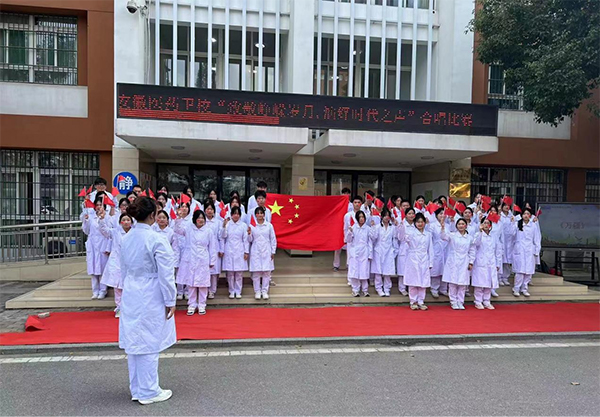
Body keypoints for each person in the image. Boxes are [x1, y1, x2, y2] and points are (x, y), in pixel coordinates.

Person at [119, 196, 176, 405]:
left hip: (131, 289)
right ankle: (149, 390)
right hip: (151, 291)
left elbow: (123, 268)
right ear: (153, 215)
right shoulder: (156, 239)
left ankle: (137, 388)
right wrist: (170, 299)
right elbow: (166, 273)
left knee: (135, 341)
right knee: (150, 341)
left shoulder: (127, 238)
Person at [174, 209, 217, 315]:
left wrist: (212, 260)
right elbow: (178, 230)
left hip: (203, 258)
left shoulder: (208, 231)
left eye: (202, 218)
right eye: (198, 218)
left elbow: (212, 247)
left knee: (203, 284)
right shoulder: (189, 229)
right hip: (191, 258)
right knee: (191, 283)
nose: (200, 220)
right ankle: (192, 305)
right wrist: (179, 218)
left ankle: (202, 305)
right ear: (194, 219)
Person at [99, 212, 133, 317]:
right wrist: (102, 220)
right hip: (117, 261)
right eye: (124, 220)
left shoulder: (135, 233)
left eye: (128, 220)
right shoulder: (115, 232)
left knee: (129, 286)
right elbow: (104, 231)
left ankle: (130, 308)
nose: (126, 222)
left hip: (131, 262)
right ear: (120, 222)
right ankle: (119, 307)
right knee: (117, 286)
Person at [398, 212, 434, 310]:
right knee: (413, 281)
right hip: (413, 258)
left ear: (425, 223)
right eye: (418, 222)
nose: (420, 224)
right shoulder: (411, 233)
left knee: (423, 282)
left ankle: (421, 301)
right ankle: (413, 301)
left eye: (422, 222)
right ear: (415, 223)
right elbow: (402, 238)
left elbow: (430, 249)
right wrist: (401, 226)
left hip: (424, 258)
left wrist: (430, 262)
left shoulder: (428, 234)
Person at [441, 218, 476, 310]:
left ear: (466, 226)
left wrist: (471, 262)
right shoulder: (452, 235)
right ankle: (453, 301)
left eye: (462, 224)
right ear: (456, 226)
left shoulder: (469, 238)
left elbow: (472, 250)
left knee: (462, 283)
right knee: (453, 283)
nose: (461, 226)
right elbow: (443, 237)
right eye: (459, 224)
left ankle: (460, 301)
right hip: (453, 260)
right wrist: (443, 228)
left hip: (464, 260)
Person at [82, 194, 112, 300]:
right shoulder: (91, 217)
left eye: (101, 205)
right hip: (92, 245)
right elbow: (86, 231)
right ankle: (95, 291)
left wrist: (108, 247)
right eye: (97, 205)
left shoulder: (108, 217)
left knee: (102, 269)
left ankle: (103, 290)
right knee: (93, 269)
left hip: (103, 244)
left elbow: (110, 234)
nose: (99, 207)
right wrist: (85, 221)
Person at [471, 217, 503, 309]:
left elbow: (498, 250)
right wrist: (480, 232)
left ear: (490, 226)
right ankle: (478, 301)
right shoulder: (478, 234)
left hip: (491, 261)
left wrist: (498, 263)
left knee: (489, 282)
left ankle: (486, 300)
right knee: (480, 283)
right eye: (484, 223)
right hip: (480, 261)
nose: (486, 225)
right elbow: (475, 243)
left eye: (488, 223)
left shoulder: (494, 236)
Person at [508, 208, 541, 297]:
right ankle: (516, 288)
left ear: (530, 215)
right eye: (524, 214)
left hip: (530, 250)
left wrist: (537, 251)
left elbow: (537, 239)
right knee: (520, 271)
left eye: (528, 214)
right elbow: (511, 234)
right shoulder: (517, 224)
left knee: (528, 271)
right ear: (521, 215)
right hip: (520, 250)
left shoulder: (533, 226)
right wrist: (512, 223)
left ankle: (524, 288)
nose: (526, 215)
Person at [248, 206, 277, 300]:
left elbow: (273, 239)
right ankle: (257, 291)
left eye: (261, 213)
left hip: (266, 250)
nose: (260, 215)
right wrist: (249, 233)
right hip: (256, 250)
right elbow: (250, 240)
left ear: (264, 215)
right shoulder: (252, 225)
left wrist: (273, 251)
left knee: (266, 272)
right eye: (258, 213)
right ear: (255, 215)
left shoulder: (269, 225)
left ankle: (264, 291)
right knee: (256, 273)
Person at [221, 206, 250, 299]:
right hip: (229, 249)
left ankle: (238, 291)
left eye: (237, 214)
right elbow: (223, 236)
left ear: (240, 215)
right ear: (231, 215)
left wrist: (246, 252)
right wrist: (224, 226)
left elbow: (245, 240)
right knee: (230, 273)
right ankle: (231, 290)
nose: (236, 215)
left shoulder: (243, 225)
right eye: (234, 213)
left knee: (239, 273)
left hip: (240, 249)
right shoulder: (228, 224)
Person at [369, 208, 396, 297]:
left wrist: (394, 251)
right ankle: (379, 288)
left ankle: (387, 288)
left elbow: (395, 240)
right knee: (378, 271)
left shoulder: (393, 228)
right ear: (381, 216)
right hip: (379, 250)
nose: (386, 217)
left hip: (389, 250)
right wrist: (373, 227)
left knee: (387, 271)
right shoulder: (377, 227)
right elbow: (373, 238)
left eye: (388, 215)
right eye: (385, 215)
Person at [345, 210, 371, 297]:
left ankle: (365, 290)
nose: (361, 219)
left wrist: (370, 254)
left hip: (364, 251)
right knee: (355, 271)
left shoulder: (368, 228)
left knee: (364, 271)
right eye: (359, 217)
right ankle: (355, 290)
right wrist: (349, 232)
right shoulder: (353, 227)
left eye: (363, 217)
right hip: (355, 251)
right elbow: (348, 240)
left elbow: (370, 242)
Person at [203, 201, 223, 299]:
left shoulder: (218, 222)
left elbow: (221, 237)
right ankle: (205, 289)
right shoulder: (202, 221)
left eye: (211, 209)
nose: (209, 211)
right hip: (204, 248)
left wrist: (221, 249)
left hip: (215, 247)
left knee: (214, 272)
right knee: (205, 270)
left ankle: (212, 290)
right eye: (208, 209)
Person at [428, 208, 449, 298]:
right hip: (436, 248)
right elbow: (429, 236)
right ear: (436, 215)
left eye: (444, 214)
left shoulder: (448, 225)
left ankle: (443, 289)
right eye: (440, 214)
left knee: (445, 270)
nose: (442, 215)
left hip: (446, 248)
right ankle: (434, 289)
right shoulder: (432, 225)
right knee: (436, 270)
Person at [396, 206, 417, 296]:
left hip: (414, 249)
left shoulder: (417, 224)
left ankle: (411, 287)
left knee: (412, 269)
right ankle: (402, 288)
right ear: (406, 215)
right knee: (402, 270)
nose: (411, 215)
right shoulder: (402, 224)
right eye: (409, 213)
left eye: (413, 213)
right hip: (404, 248)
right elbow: (400, 238)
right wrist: (401, 228)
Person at [175, 202, 191, 300]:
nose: (184, 208)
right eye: (182, 206)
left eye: (186, 207)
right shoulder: (175, 219)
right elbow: (176, 231)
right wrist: (178, 219)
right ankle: (179, 291)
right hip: (177, 248)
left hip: (187, 247)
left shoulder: (191, 220)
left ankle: (187, 290)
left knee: (188, 269)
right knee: (179, 270)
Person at [499, 202, 516, 286]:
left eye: (508, 205)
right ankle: (499, 278)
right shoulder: (499, 216)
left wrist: (513, 222)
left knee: (507, 261)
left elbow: (514, 229)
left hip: (509, 241)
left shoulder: (511, 216)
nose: (507, 207)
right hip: (501, 240)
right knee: (500, 260)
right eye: (505, 205)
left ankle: (505, 278)